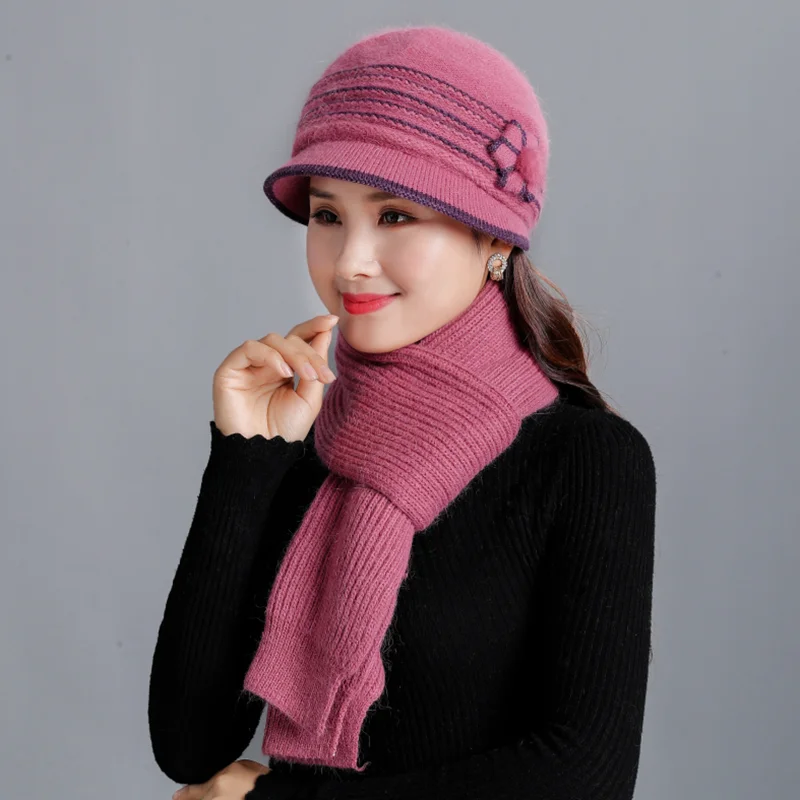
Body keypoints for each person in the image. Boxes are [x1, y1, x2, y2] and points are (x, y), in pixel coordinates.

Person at [148, 24, 657, 800]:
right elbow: (189, 746)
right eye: (327, 215)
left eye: (394, 216)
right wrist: (246, 455)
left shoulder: (585, 459)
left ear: (494, 238)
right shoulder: (312, 443)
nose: (350, 261)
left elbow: (584, 775)